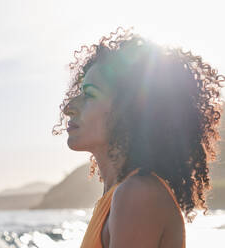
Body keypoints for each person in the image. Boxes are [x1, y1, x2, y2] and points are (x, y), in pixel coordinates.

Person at [52, 26, 224, 248]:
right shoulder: (119, 196)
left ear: (130, 110)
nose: (69, 108)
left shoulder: (137, 194)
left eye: (90, 94)